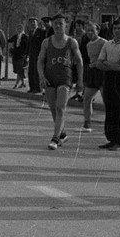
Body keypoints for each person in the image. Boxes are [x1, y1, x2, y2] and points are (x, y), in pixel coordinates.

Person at [36, 14, 83, 150]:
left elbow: (79, 62)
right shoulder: (46, 42)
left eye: (60, 24)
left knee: (60, 107)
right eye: (55, 23)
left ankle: (55, 139)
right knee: (53, 108)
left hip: (65, 77)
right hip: (50, 77)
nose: (57, 26)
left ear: (66, 25)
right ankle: (62, 134)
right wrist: (41, 76)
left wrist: (80, 80)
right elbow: (40, 60)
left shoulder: (72, 42)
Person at [93, 16, 120, 151]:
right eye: (115, 28)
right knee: (109, 108)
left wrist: (107, 63)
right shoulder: (107, 44)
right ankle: (111, 139)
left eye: (119, 28)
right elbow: (99, 63)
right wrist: (110, 65)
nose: (116, 31)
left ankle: (119, 141)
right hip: (108, 77)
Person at [81, 22, 107, 132]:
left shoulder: (104, 42)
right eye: (88, 30)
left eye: (92, 30)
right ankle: (87, 123)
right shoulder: (88, 44)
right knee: (87, 98)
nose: (90, 33)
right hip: (92, 73)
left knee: (106, 99)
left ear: (98, 30)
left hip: (102, 72)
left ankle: (110, 122)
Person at [27, 17, 44, 93]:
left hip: (38, 54)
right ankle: (32, 87)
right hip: (31, 55)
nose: (32, 23)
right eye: (31, 22)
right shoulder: (30, 32)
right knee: (31, 71)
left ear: (37, 23)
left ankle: (38, 88)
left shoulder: (41, 31)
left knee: (37, 71)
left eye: (34, 22)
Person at [7, 24, 28, 89]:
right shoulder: (16, 36)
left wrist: (26, 55)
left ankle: (17, 83)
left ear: (23, 29)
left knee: (20, 69)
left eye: (20, 28)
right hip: (16, 55)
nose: (19, 29)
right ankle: (23, 83)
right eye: (18, 28)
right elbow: (9, 40)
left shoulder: (25, 36)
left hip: (22, 55)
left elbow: (27, 46)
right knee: (19, 70)